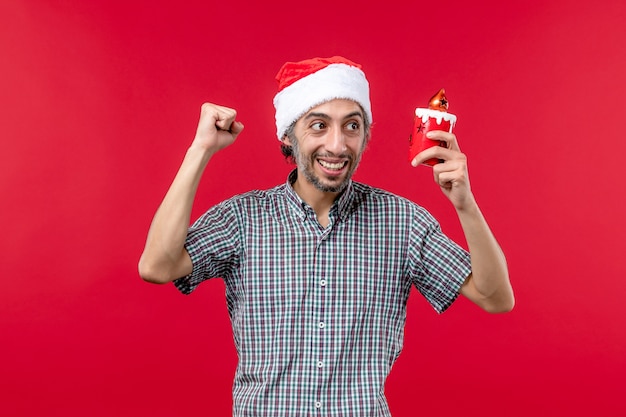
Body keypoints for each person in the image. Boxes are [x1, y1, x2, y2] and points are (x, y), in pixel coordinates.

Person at [138, 56, 514, 416]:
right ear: (289, 136)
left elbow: (495, 298)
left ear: (366, 135)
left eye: (352, 126)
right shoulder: (242, 218)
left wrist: (465, 204)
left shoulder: (402, 222)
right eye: (319, 125)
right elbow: (157, 266)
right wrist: (199, 151)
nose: (337, 145)